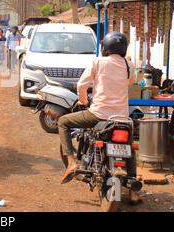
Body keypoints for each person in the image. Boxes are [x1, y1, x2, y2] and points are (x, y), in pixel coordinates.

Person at [57, 31, 142, 204]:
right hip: (122, 118)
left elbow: (82, 84)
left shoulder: (98, 62)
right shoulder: (129, 64)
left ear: (105, 47)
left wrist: (82, 101)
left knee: (63, 122)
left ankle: (72, 162)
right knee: (128, 147)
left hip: (98, 114)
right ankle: (133, 192)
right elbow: (130, 82)